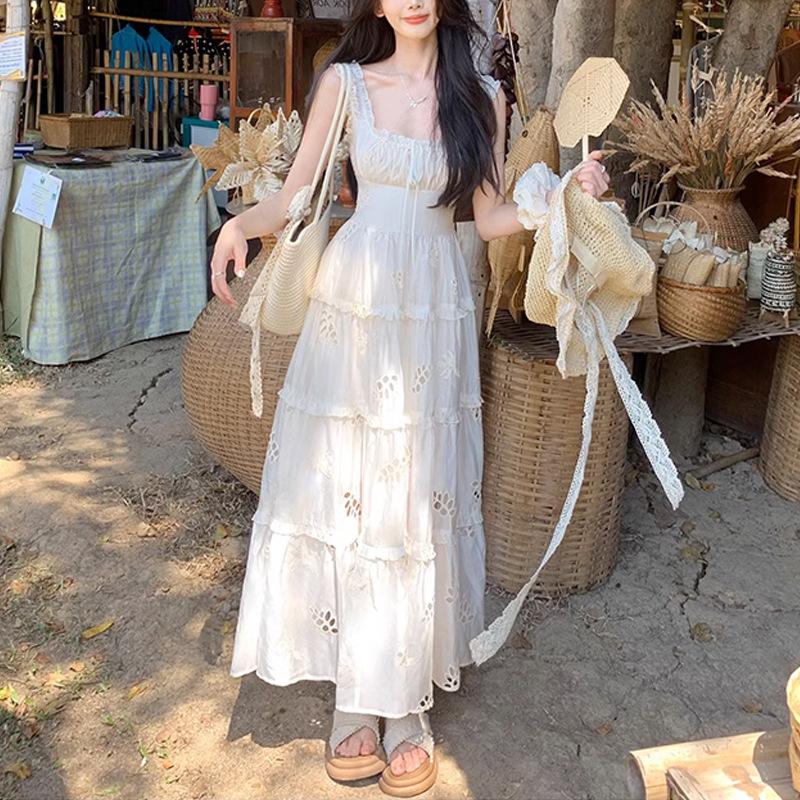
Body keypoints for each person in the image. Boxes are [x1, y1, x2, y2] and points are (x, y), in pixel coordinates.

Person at [210, 0, 608, 794]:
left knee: (414, 499)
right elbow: (296, 197)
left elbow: (487, 217)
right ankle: (356, 699)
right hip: (354, 304)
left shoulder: (481, 98)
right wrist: (237, 227)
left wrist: (562, 195)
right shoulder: (346, 83)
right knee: (351, 486)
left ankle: (405, 704)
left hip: (433, 307)